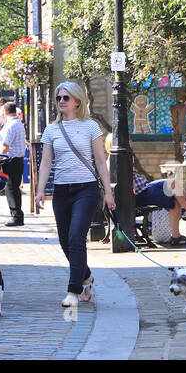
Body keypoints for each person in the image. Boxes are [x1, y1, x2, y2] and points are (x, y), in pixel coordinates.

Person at [36, 81, 114, 307]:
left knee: (76, 238)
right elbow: (46, 163)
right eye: (59, 98)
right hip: (61, 190)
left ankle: (73, 291)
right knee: (64, 241)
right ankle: (86, 277)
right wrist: (40, 190)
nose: (61, 101)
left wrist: (108, 193)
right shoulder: (51, 129)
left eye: (66, 98)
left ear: (77, 101)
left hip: (86, 189)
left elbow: (100, 161)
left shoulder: (90, 127)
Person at [134, 174, 186, 246]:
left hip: (144, 185)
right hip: (140, 193)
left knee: (173, 182)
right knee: (175, 198)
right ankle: (179, 234)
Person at [0, 102, 27, 226]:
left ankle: (16, 216)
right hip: (18, 159)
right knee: (15, 187)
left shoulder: (11, 125)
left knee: (10, 188)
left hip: (10, 160)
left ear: (5, 112)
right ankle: (17, 215)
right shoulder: (18, 123)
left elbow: (5, 146)